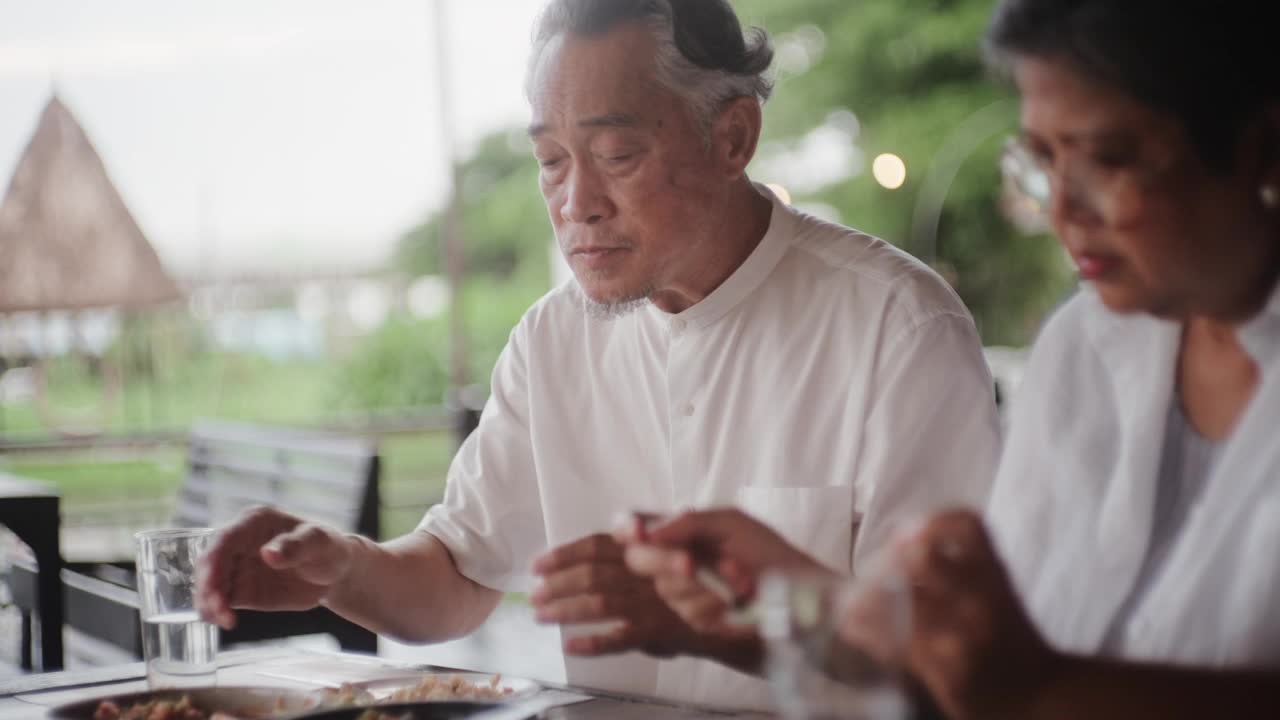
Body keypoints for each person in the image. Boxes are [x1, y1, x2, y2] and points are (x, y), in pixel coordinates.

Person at [193, 0, 1000, 709]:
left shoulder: (899, 329)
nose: (575, 204)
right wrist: (344, 568)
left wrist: (736, 613)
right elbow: (459, 574)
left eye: (616, 156)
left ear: (733, 138)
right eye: (551, 162)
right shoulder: (552, 341)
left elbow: (946, 651)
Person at [621, 0, 1280, 717]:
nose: (1063, 211)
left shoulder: (906, 317)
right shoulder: (1083, 350)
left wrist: (1039, 688)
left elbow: (1022, 683)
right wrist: (796, 602)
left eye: (1110, 160)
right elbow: (974, 674)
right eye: (1043, 160)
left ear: (1259, 145)